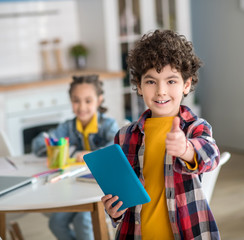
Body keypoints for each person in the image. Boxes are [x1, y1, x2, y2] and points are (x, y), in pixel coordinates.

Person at [101, 29, 221, 240]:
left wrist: (185, 149)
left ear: (186, 84)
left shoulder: (195, 129)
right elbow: (124, 202)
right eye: (150, 81)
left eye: (171, 81)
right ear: (138, 86)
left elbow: (211, 156)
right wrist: (115, 212)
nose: (161, 91)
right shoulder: (124, 137)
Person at [32, 74, 119, 240]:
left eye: (88, 101)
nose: (81, 107)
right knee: (56, 223)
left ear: (99, 100)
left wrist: (92, 154)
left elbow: (116, 148)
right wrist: (56, 147)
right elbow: (39, 144)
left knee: (83, 221)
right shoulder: (68, 126)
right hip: (76, 187)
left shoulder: (108, 125)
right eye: (76, 100)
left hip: (102, 190)